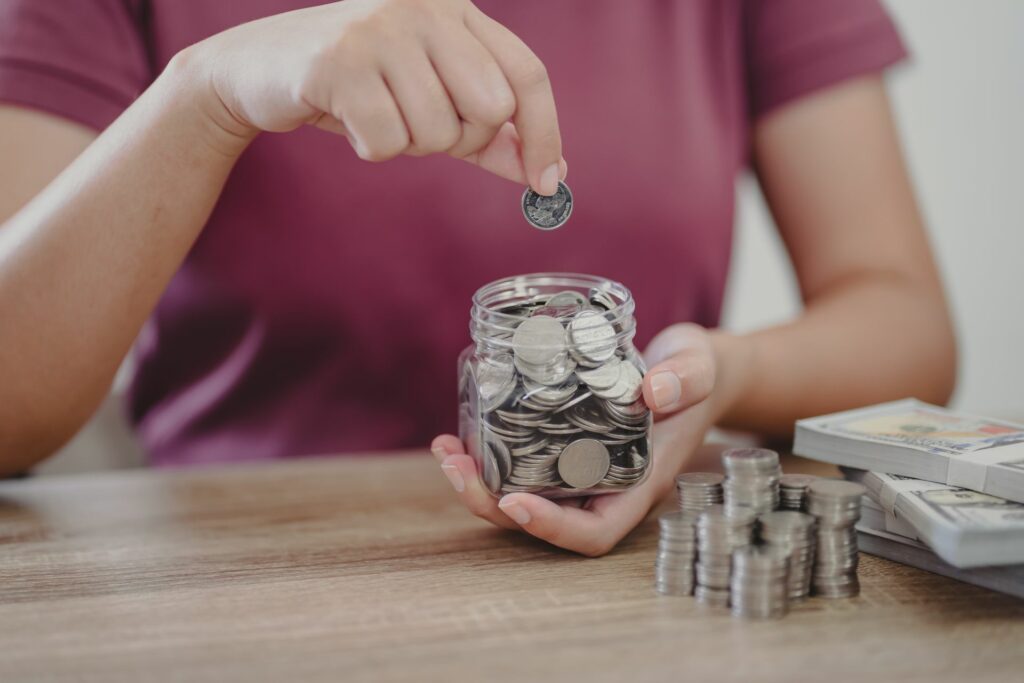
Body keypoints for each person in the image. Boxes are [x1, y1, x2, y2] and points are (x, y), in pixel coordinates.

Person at [0, 0, 955, 556]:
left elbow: (906, 324)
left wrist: (719, 375)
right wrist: (206, 94)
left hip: (634, 585)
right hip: (248, 575)